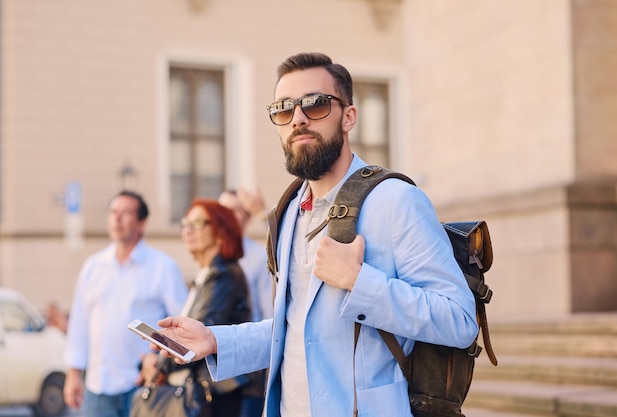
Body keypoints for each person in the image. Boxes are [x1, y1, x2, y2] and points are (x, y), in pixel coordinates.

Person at [151, 52, 479, 417]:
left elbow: (459, 321)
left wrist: (358, 281)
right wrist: (214, 339)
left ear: (348, 116)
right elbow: (295, 329)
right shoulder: (288, 210)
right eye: (283, 109)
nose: (299, 119)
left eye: (316, 104)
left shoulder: (396, 200)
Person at [63, 190, 189, 417]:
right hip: (98, 387)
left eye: (126, 212)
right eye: (113, 212)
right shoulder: (93, 267)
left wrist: (160, 363)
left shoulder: (163, 268)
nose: (117, 218)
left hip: (144, 385)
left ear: (142, 223)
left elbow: (181, 326)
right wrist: (73, 373)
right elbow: (80, 324)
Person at [139, 199, 251, 417]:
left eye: (198, 223)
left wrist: (161, 365)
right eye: (185, 223)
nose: (188, 229)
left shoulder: (223, 274)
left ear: (220, 231)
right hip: (212, 390)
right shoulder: (207, 275)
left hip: (219, 394)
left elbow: (200, 332)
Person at [219, 188, 271, 417]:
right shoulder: (211, 253)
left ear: (247, 218)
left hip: (247, 363)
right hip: (215, 361)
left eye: (235, 210)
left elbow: (268, 310)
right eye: (222, 210)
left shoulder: (259, 256)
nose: (226, 216)